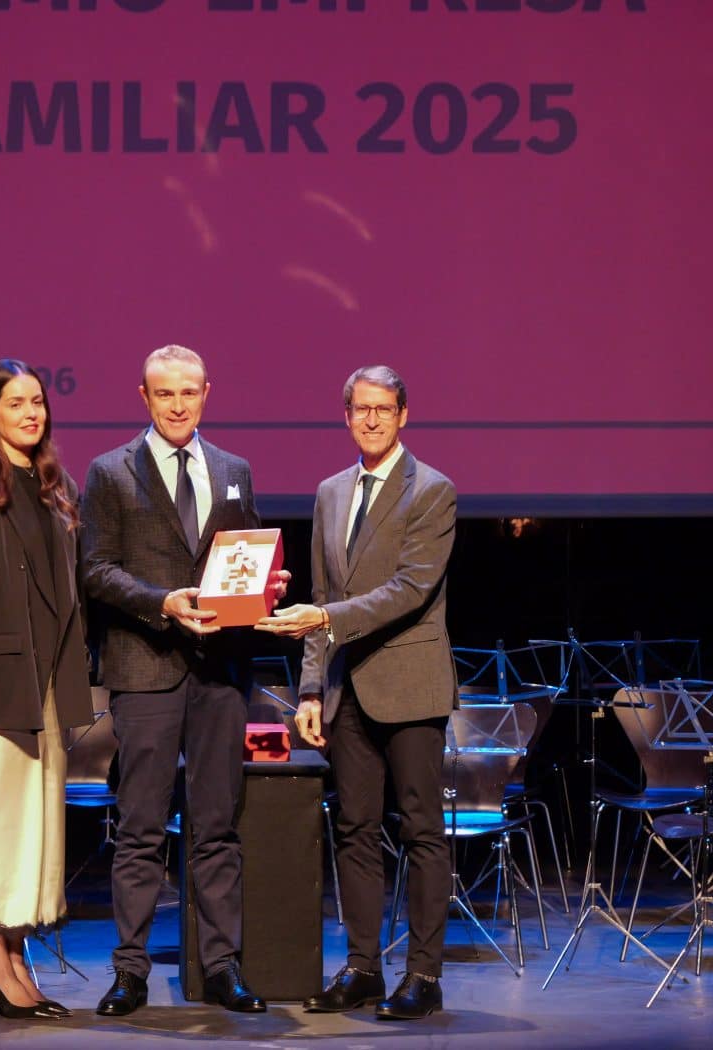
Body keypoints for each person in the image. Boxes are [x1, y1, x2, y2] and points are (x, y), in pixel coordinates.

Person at [81, 344, 288, 1016]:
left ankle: (222, 965)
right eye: (165, 393)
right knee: (140, 826)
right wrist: (161, 602)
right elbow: (95, 570)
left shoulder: (234, 469)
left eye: (189, 393)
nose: (177, 405)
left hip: (220, 669)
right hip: (145, 667)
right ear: (143, 397)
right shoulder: (109, 471)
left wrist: (267, 584)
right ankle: (130, 971)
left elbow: (242, 556)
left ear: (206, 394)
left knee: (218, 825)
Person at [257, 364, 457, 1021]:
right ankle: (364, 967)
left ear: (403, 415)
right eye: (361, 409)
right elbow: (325, 594)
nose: (372, 419)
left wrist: (324, 618)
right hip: (346, 690)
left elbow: (410, 589)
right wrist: (311, 689)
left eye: (383, 409)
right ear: (346, 417)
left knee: (422, 831)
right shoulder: (331, 492)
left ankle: (423, 975)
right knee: (355, 831)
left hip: (411, 685)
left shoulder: (432, 490)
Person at [0, 359, 93, 1020]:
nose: (31, 414)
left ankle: (15, 957)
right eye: (16, 403)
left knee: (33, 830)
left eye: (38, 402)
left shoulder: (54, 486)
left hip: (46, 684)